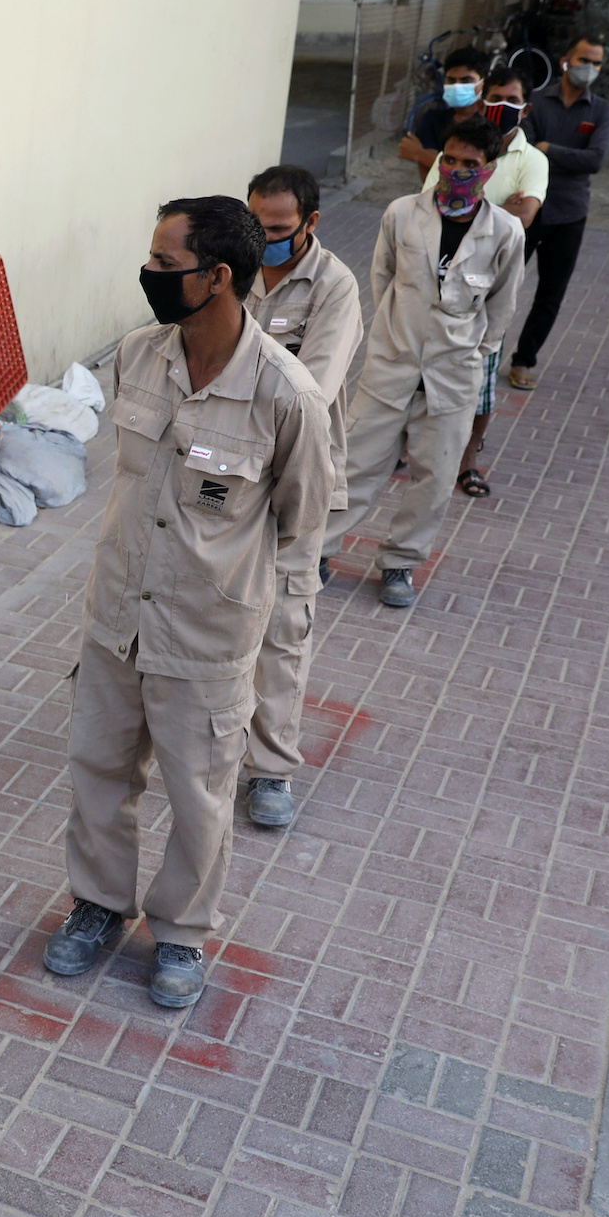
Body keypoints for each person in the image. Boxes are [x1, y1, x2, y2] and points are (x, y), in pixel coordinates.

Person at [42, 199, 333, 1009]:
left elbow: (302, 519)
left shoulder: (286, 395)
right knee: (99, 770)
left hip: (207, 633)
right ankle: (98, 904)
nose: (149, 276)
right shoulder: (140, 355)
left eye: (165, 265)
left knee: (200, 794)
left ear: (219, 277)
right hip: (118, 615)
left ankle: (181, 931)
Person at [325, 117, 527, 611]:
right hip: (390, 367)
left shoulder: (505, 231)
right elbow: (382, 279)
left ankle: (400, 562)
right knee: (354, 468)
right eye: (449, 159)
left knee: (433, 480)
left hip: (453, 379)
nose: (456, 170)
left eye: (469, 163)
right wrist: (397, 335)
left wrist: (474, 353)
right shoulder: (401, 213)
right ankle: (318, 550)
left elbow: (502, 306)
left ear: (489, 169)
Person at [240, 165, 363, 833]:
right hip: (223, 469)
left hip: (297, 473)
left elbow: (309, 392)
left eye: (279, 228)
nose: (264, 238)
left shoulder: (335, 287)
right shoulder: (232, 266)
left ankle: (271, 767)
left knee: (285, 621)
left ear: (310, 223)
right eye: (255, 224)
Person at [419, 64, 545, 498]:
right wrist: (494, 203)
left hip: (487, 286)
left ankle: (468, 458)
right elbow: (430, 201)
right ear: (481, 98)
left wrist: (471, 203)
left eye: (512, 100)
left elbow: (523, 216)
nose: (501, 107)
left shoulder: (532, 160)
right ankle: (409, 446)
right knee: (417, 373)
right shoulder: (455, 147)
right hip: (437, 276)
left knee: (481, 385)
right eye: (495, 98)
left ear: (526, 108)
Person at [508, 37, 609, 389]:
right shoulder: (536, 102)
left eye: (597, 63)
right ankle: (485, 352)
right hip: (527, 209)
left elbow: (596, 160)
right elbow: (523, 147)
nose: (590, 68)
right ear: (565, 61)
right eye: (584, 59)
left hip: (569, 213)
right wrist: (561, 155)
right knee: (503, 286)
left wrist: (548, 148)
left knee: (551, 294)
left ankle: (524, 361)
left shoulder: (603, 111)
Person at [399, 48, 489, 181]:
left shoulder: (491, 122)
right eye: (451, 80)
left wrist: (419, 154)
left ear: (483, 83)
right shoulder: (432, 120)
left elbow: (482, 178)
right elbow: (430, 178)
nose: (457, 86)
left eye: (466, 80)